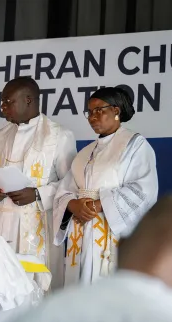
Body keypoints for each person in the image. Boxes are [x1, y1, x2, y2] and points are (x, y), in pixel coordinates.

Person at [6, 194, 172, 322]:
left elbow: (140, 192)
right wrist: (73, 203)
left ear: (120, 245)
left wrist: (100, 204)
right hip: (82, 228)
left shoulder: (41, 313)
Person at [0, 76, 77, 290]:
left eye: (8, 102)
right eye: (2, 102)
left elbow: (70, 185)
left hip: (37, 225)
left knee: (34, 287)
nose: (2, 107)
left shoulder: (59, 136)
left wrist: (38, 194)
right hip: (1, 223)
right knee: (0, 285)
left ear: (28, 100)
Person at [52, 86, 158, 286]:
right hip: (80, 232)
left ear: (116, 111)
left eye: (99, 110)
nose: (93, 117)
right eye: (90, 112)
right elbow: (65, 190)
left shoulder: (134, 145)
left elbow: (144, 190)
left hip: (110, 233)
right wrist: (73, 205)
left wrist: (98, 205)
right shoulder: (85, 152)